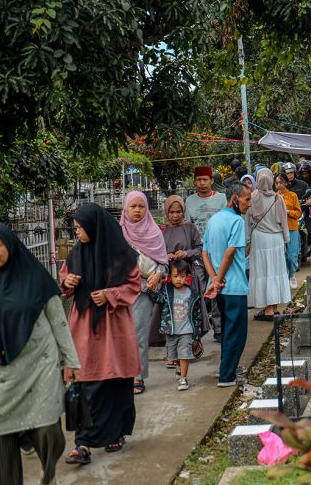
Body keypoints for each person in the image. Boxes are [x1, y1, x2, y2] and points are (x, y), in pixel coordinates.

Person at [0, 223, 80, 485]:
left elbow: (58, 321)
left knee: (48, 432)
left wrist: (70, 360)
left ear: (10, 246)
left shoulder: (36, 278)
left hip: (39, 368)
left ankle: (49, 474)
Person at [62, 203, 141, 465]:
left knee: (116, 380)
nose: (77, 234)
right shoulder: (75, 255)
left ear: (95, 226)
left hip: (113, 325)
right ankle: (81, 443)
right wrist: (68, 282)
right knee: (84, 381)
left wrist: (109, 294)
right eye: (75, 229)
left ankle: (115, 433)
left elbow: (133, 285)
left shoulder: (122, 255)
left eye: (80, 228)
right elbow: (64, 280)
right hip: (84, 326)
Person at [202, 182, 252, 387]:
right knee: (236, 332)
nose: (249, 204)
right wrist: (220, 278)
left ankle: (226, 368)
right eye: (246, 199)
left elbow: (204, 252)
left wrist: (213, 279)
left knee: (226, 330)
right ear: (234, 199)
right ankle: (227, 376)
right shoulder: (237, 221)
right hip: (233, 285)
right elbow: (230, 252)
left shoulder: (213, 220)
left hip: (218, 287)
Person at [120, 191, 168, 395]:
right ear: (126, 208)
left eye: (141, 206)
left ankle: (137, 376)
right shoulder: (119, 232)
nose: (137, 210)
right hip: (121, 290)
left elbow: (163, 263)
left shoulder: (154, 232)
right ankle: (121, 375)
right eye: (133, 206)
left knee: (138, 334)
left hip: (144, 290)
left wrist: (157, 275)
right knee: (121, 335)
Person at [185, 166, 227, 341]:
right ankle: (200, 326)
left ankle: (219, 328)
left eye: (205, 180)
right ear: (194, 182)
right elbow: (188, 227)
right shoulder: (189, 201)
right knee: (199, 291)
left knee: (217, 288)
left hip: (218, 252)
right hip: (198, 252)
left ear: (211, 181)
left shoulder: (222, 199)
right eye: (199, 180)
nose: (202, 183)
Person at [162, 195, 210, 338]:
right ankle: (172, 344)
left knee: (188, 308)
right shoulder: (162, 229)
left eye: (178, 212)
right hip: (169, 277)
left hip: (187, 276)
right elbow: (156, 251)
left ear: (183, 211)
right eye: (171, 212)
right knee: (171, 309)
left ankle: (190, 341)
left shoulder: (189, 228)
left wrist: (186, 253)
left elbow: (200, 249)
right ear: (166, 212)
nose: (175, 215)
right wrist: (166, 256)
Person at [246, 169, 291, 320]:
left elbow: (247, 223)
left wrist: (247, 242)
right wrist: (286, 239)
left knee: (263, 273)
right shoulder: (278, 199)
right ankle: (274, 308)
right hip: (276, 239)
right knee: (275, 272)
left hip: (259, 240)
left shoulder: (251, 198)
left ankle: (267, 309)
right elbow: (284, 222)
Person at [159, 259, 203, 391]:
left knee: (184, 354)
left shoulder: (192, 293)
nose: (179, 279)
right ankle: (179, 367)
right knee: (173, 355)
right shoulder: (166, 291)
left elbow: (196, 314)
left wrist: (196, 332)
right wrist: (152, 289)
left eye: (182, 276)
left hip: (186, 330)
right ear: (169, 277)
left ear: (187, 277)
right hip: (171, 330)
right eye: (175, 276)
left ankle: (183, 378)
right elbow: (158, 299)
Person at [275, 173, 302, 289]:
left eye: (280, 182)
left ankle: (292, 275)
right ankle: (286, 278)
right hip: (279, 230)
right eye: (276, 183)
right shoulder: (274, 197)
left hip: (292, 228)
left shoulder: (293, 196)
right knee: (283, 257)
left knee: (292, 256)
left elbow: (299, 213)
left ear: (286, 183)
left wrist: (288, 212)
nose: (278, 185)